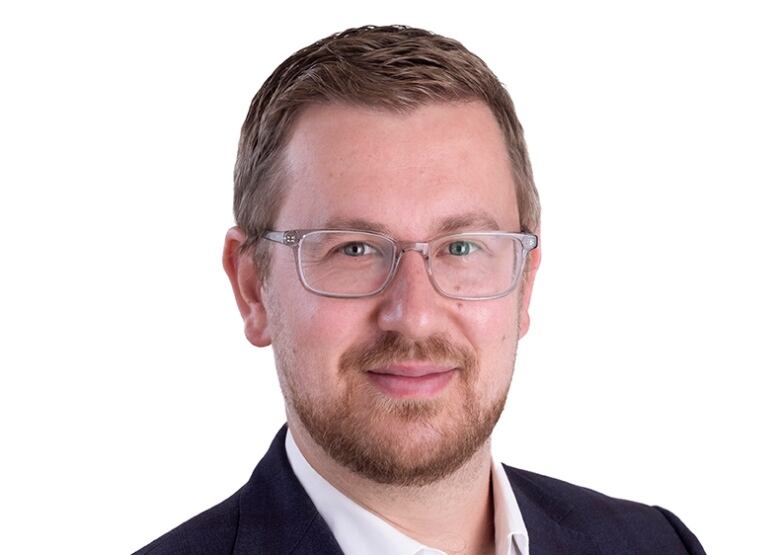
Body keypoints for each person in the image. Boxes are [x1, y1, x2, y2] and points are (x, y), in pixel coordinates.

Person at [135, 25, 705, 555]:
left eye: (461, 247)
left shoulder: (655, 544)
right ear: (253, 288)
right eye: (353, 249)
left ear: (524, 284)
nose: (414, 316)